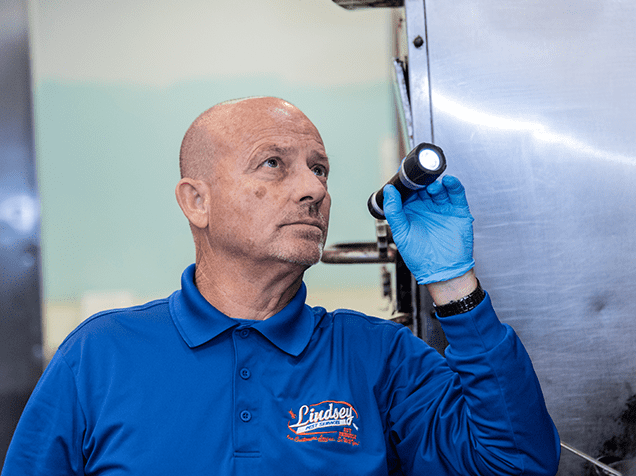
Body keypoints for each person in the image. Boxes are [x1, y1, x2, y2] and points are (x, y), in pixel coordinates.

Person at [2, 97, 560, 475]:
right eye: (274, 164)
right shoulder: (100, 355)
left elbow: (516, 463)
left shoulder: (378, 357)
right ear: (197, 201)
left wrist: (453, 284)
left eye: (320, 169)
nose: (311, 189)